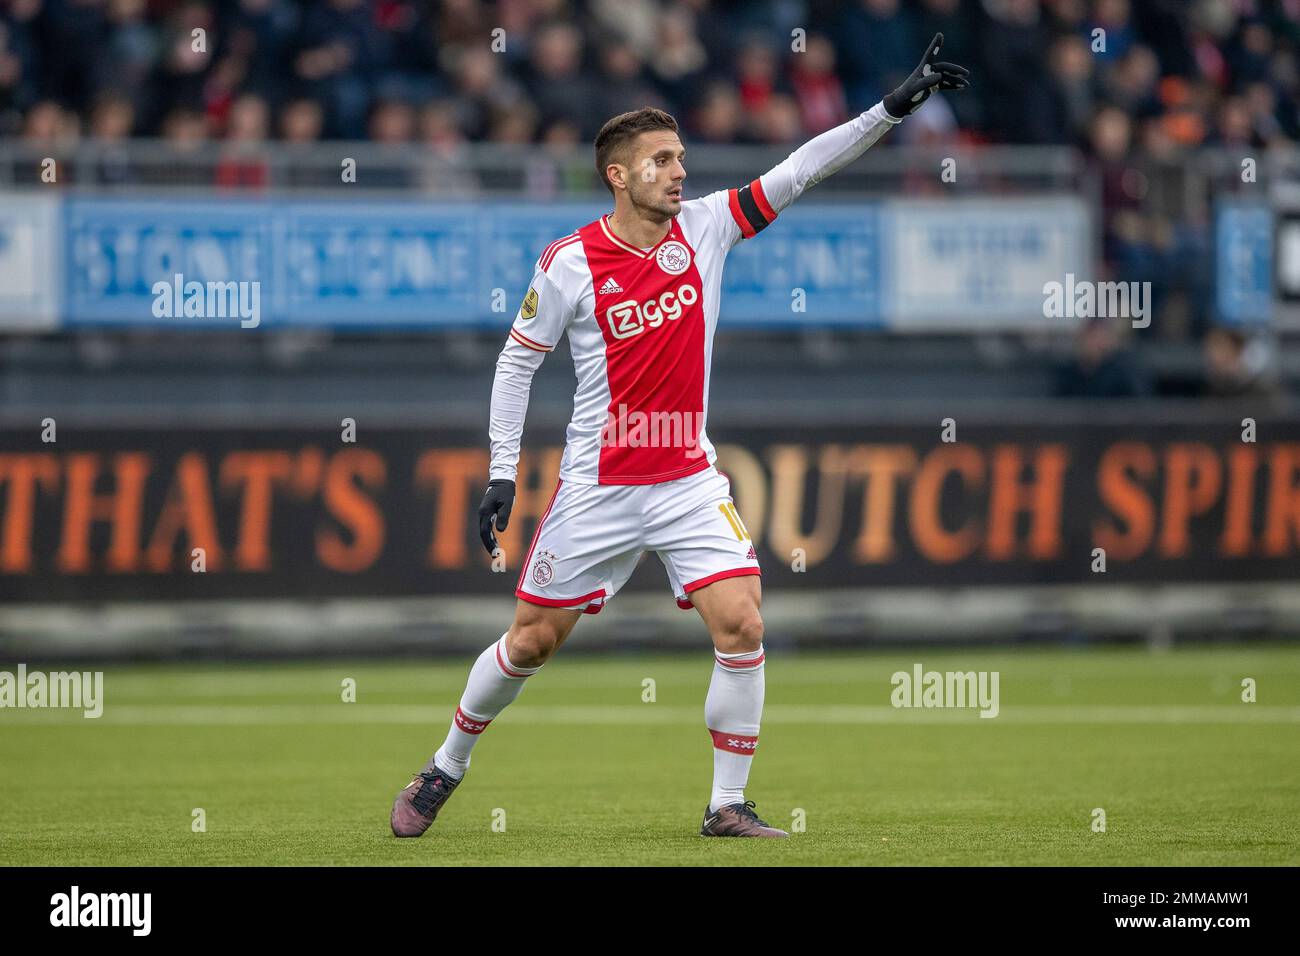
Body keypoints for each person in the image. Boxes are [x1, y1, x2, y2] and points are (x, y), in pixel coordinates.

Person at [391, 35, 970, 841]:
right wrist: (502, 474)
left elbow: (799, 169)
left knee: (744, 621)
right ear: (618, 175)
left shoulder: (708, 228)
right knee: (529, 643)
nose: (679, 171)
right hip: (598, 485)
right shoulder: (568, 264)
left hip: (689, 477)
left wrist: (889, 110)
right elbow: (515, 366)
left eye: (681, 157)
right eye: (662, 160)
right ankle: (445, 766)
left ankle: (726, 804)